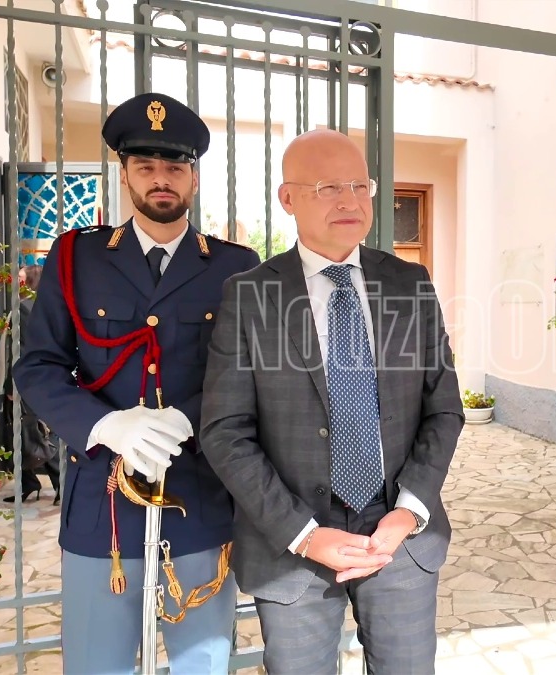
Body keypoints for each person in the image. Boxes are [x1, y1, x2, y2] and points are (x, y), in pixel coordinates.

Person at [13, 92, 260, 674]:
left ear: (194, 177)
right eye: (145, 166)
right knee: (97, 663)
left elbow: (250, 373)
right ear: (124, 174)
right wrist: (105, 424)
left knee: (203, 660)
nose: (161, 179)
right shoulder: (76, 256)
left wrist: (187, 418)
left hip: (199, 492)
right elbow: (39, 365)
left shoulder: (235, 267)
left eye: (175, 166)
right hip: (103, 497)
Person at [199, 128, 464, 673]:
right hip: (292, 543)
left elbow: (443, 408)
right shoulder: (250, 294)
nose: (349, 201)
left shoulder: (409, 283)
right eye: (327, 188)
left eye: (359, 186)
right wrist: (304, 535)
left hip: (399, 537)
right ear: (287, 198)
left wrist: (407, 512)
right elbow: (225, 431)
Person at [2, 263, 61, 505]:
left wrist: (12, 385)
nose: (14, 281)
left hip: (28, 381)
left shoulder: (25, 308)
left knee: (34, 430)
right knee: (25, 430)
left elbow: (21, 351)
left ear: (30, 282)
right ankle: (31, 484)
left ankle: (58, 483)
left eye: (20, 277)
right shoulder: (38, 306)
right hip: (38, 379)